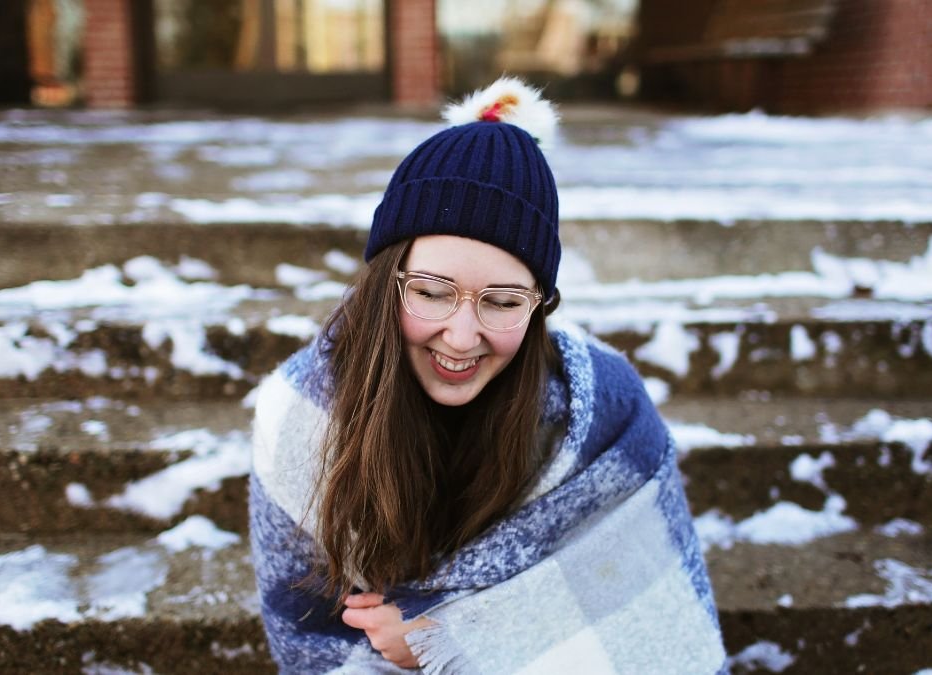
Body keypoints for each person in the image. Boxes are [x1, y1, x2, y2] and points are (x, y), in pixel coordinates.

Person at [249, 77, 726, 674]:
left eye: (502, 303)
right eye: (430, 292)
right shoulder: (304, 416)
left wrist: (449, 636)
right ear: (383, 285)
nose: (461, 336)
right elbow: (307, 637)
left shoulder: (605, 415)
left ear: (539, 307)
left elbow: (648, 618)